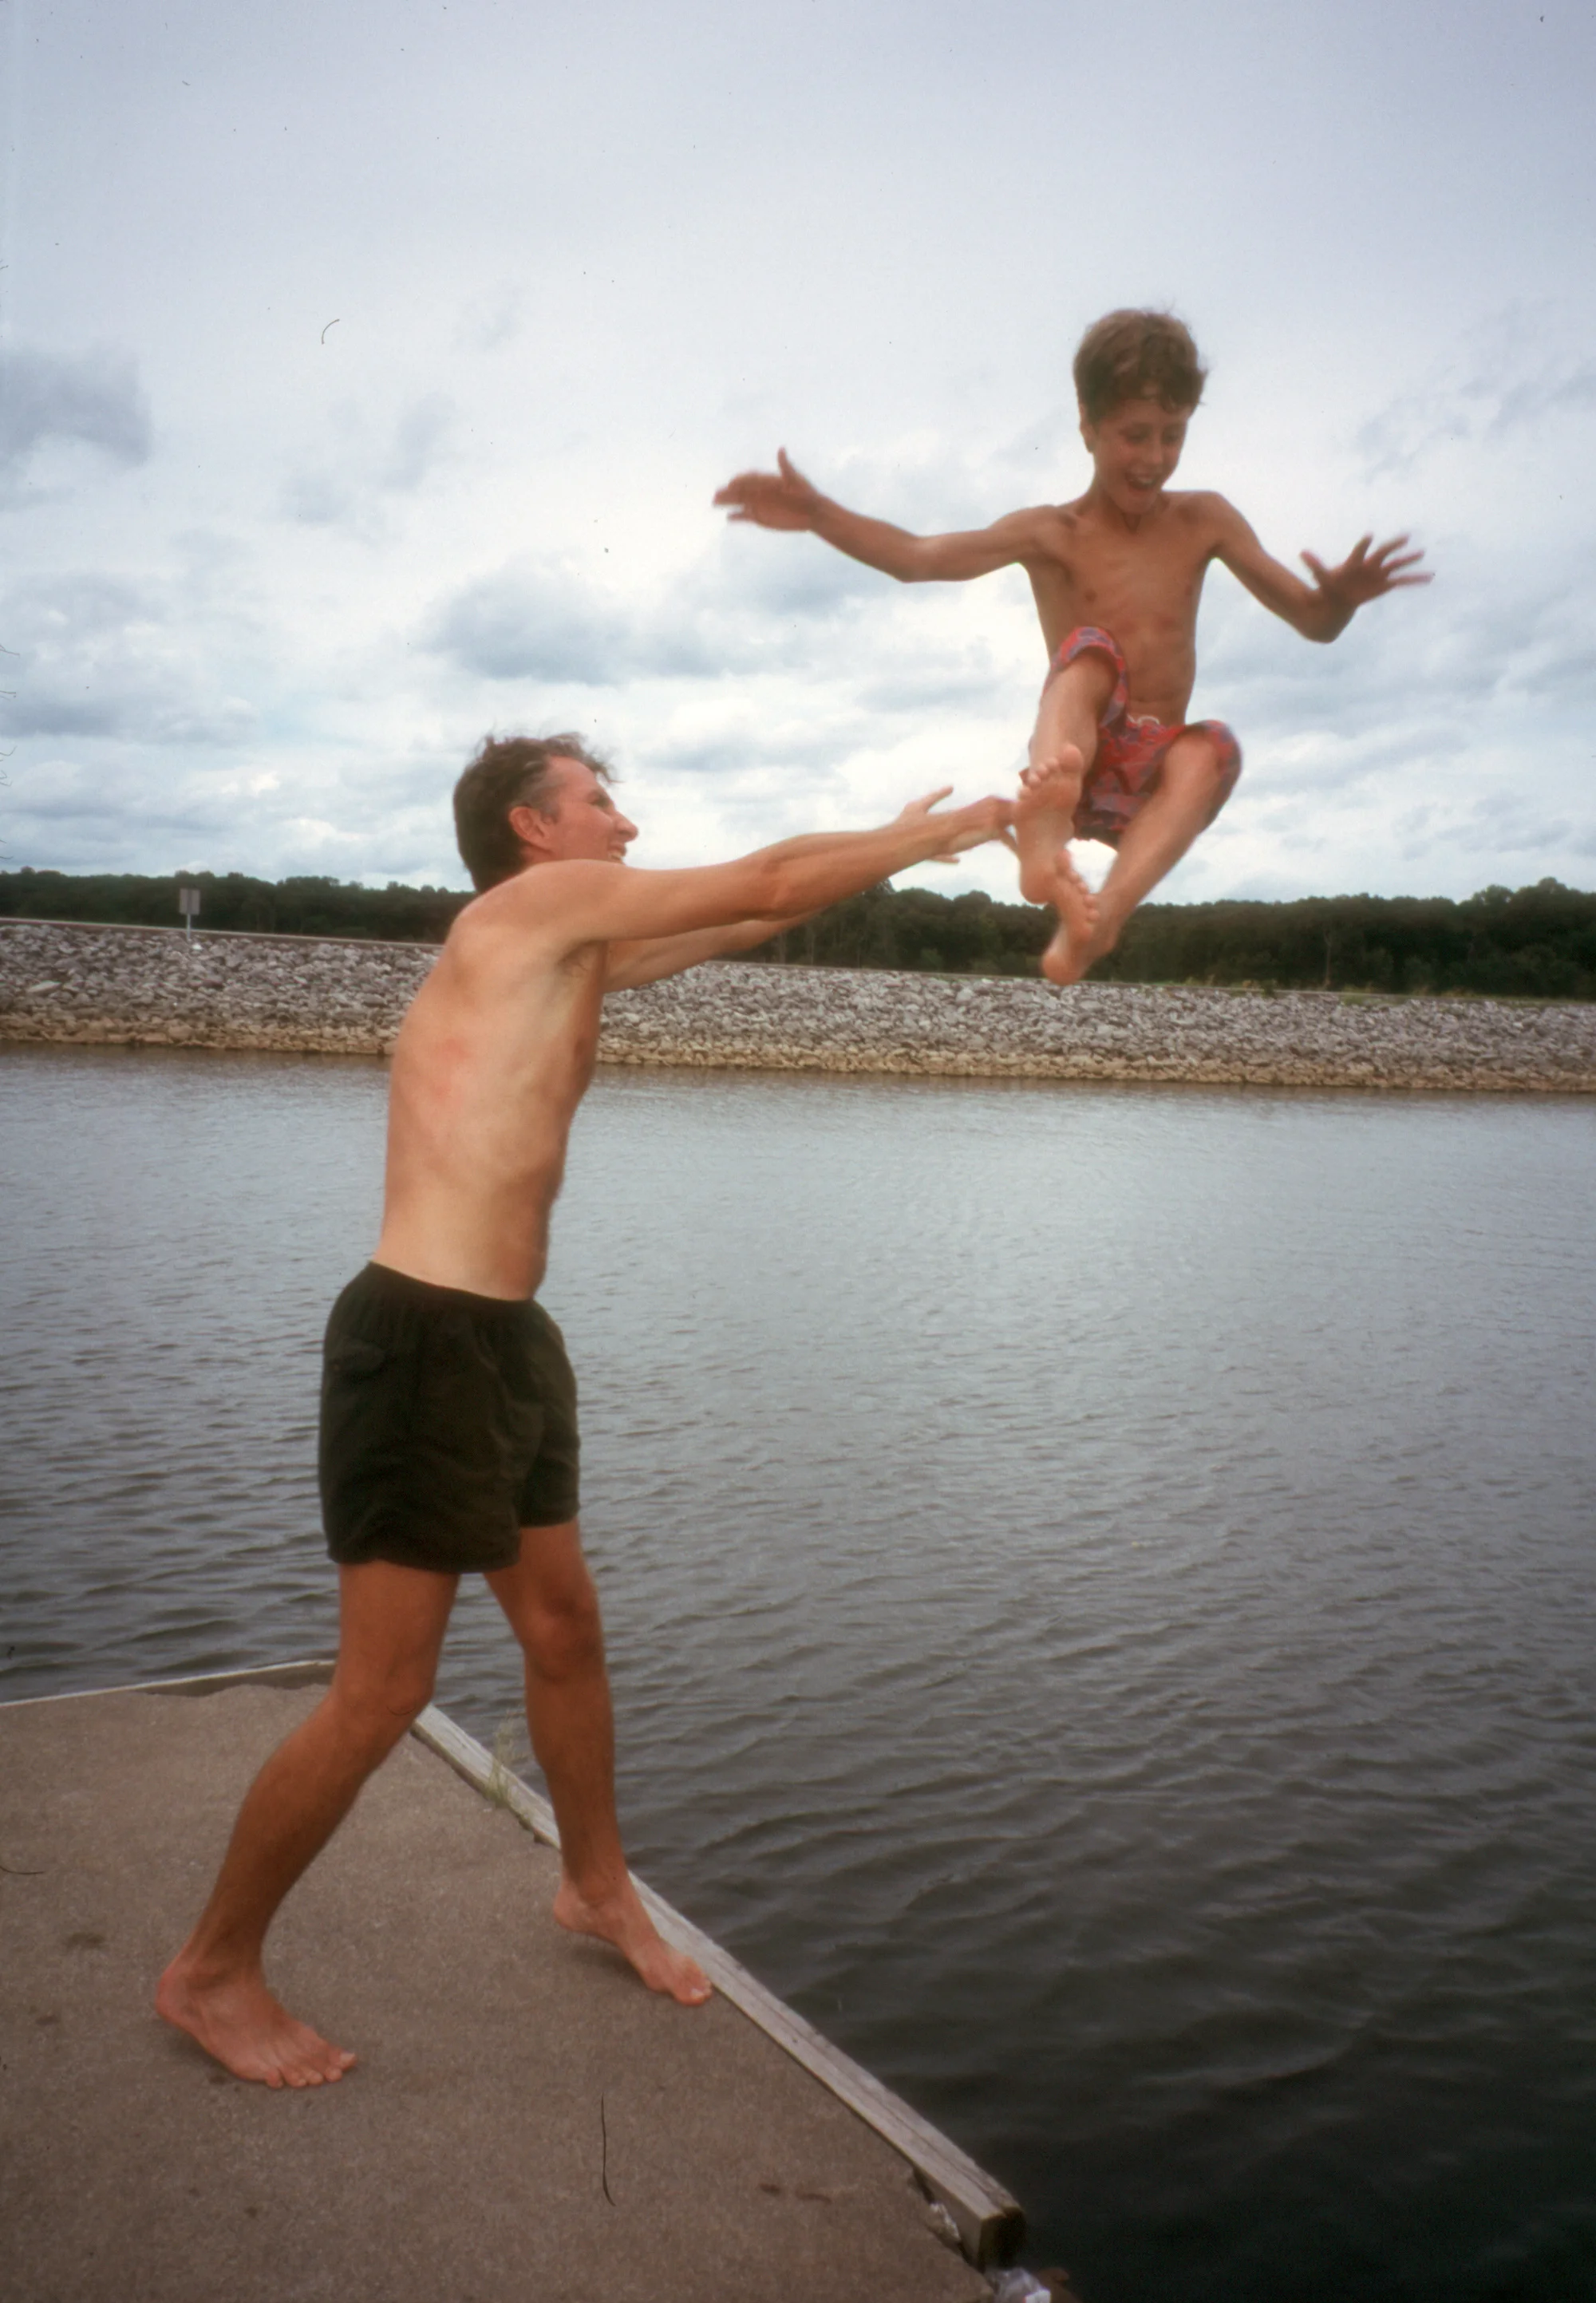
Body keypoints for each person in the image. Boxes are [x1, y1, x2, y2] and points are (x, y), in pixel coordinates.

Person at [156, 734, 1015, 2089]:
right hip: (424, 1337)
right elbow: (763, 875)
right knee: (381, 1693)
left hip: (507, 1338)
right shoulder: (527, 912)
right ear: (531, 828)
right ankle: (210, 1970)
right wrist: (942, 834)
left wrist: (886, 843)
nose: (626, 823)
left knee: (564, 1630)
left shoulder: (568, 952)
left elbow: (759, 908)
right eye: (601, 801)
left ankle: (595, 1885)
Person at [714, 308, 1430, 985]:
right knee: (1091, 652)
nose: (1155, 458)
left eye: (1173, 435)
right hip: (1072, 756)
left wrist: (1339, 598)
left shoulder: (1206, 520)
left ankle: (1099, 924)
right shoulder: (1052, 534)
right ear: (1087, 425)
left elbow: (1313, 622)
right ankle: (1044, 837)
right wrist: (820, 514)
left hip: (1149, 778)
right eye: (1135, 435)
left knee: (1213, 748)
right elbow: (918, 557)